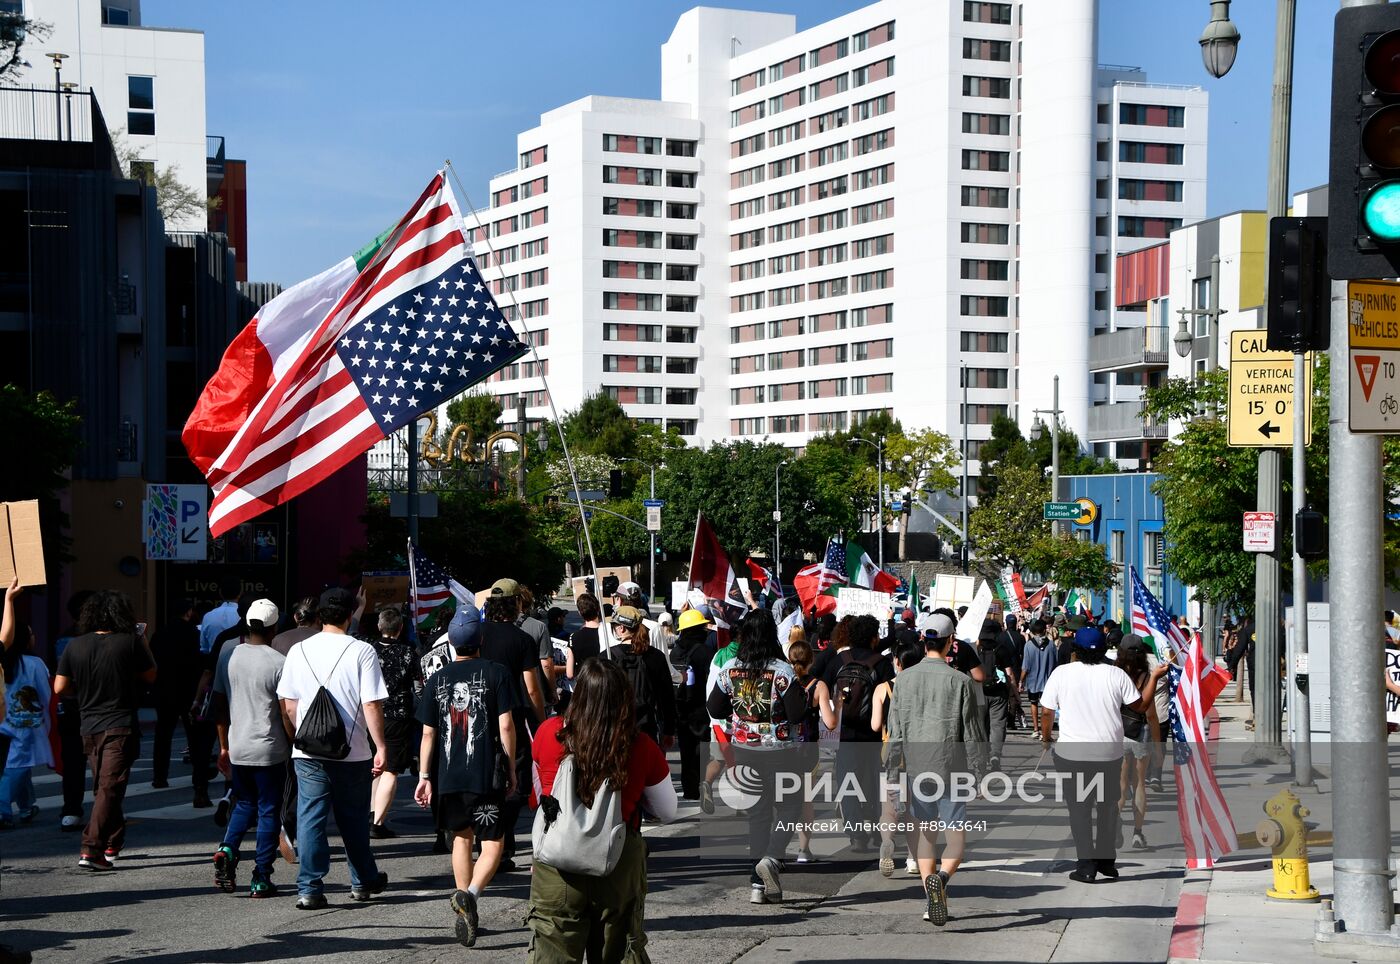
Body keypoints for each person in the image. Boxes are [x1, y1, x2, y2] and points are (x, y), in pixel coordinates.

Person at [528, 659, 677, 960]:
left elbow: (538, 788)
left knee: (552, 950)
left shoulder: (548, 733)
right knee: (619, 949)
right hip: (617, 862)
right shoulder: (639, 745)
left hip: (558, 864)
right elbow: (667, 810)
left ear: (578, 693)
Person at [276, 587, 390, 908]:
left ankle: (310, 888)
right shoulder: (361, 651)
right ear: (349, 615)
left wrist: (303, 733)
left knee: (310, 817)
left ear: (320, 615)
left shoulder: (299, 651)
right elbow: (371, 704)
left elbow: (288, 704)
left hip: (308, 750)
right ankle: (361, 881)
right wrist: (379, 744)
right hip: (352, 751)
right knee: (352, 818)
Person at [414, 602, 518, 948]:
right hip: (485, 775)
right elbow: (506, 724)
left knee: (461, 838)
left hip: (448, 776)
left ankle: (464, 908)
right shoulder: (497, 672)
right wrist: (512, 766)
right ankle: (471, 895)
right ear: (481, 638)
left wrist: (424, 775)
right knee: (493, 843)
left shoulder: (437, 679)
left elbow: (428, 733)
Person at [1038, 626, 1168, 884]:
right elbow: (1141, 706)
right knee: (1107, 807)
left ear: (1076, 650)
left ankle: (1086, 865)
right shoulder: (1115, 674)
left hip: (1072, 754)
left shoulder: (1062, 673)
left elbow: (1046, 711)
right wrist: (1153, 678)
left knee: (1080, 810)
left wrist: (1046, 737)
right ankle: (1107, 862)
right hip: (1108, 752)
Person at [886, 612, 988, 926]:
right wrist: (979, 772)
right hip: (952, 767)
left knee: (925, 837)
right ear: (950, 643)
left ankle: (932, 903)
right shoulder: (961, 681)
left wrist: (892, 775)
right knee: (956, 838)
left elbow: (896, 731)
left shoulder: (903, 679)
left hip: (917, 768)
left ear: (923, 641)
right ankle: (942, 879)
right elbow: (972, 731)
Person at [707, 614, 807, 904]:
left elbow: (715, 706)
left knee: (758, 814)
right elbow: (797, 714)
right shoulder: (781, 670)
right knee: (791, 807)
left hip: (744, 750)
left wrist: (739, 715)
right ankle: (773, 859)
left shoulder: (730, 668)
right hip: (780, 751)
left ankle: (757, 885)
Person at [54, 590, 157, 870]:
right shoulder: (129, 643)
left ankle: (112, 840)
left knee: (106, 787)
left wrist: (84, 691)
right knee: (109, 788)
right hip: (120, 722)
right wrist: (142, 640)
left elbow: (60, 687)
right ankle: (92, 848)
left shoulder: (75, 645)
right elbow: (150, 675)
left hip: (88, 723)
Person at [211, 598, 291, 898]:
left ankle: (228, 848)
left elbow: (217, 705)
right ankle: (261, 875)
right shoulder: (279, 662)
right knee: (269, 810)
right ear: (273, 628)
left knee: (244, 803)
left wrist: (223, 746)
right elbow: (285, 712)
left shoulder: (228, 655)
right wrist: (292, 742)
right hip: (269, 748)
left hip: (238, 744)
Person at [481, 579, 547, 871]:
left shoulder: (476, 635)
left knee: (485, 778)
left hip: (478, 717)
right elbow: (532, 689)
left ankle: (494, 842)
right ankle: (500, 840)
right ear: (517, 603)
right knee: (515, 781)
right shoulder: (522, 640)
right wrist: (542, 721)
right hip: (513, 715)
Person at [814, 614, 894, 851]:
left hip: (844, 733)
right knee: (875, 783)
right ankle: (879, 832)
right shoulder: (881, 662)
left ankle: (856, 835)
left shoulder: (840, 659)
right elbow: (889, 696)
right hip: (874, 734)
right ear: (873, 637)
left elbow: (823, 687)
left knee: (848, 784)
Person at [362, 606, 419, 838]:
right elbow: (418, 687)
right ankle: (377, 821)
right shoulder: (408, 652)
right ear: (400, 628)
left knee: (376, 767)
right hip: (398, 715)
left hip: (370, 714)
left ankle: (372, 813)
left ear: (379, 626)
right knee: (391, 770)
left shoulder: (369, 650)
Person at [869, 638, 923, 878]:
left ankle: (887, 842)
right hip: (918, 753)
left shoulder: (883, 688)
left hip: (890, 754)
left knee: (888, 807)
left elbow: (874, 725)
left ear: (897, 662)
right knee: (914, 810)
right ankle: (913, 859)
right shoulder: (923, 686)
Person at [604, 606, 677, 751]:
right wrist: (668, 730)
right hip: (647, 728)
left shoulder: (606, 657)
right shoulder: (656, 657)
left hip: (613, 731)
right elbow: (667, 697)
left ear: (621, 629)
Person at [0, 623, 51, 827]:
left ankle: (26, 806)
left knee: (20, 766)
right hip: (26, 722)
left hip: (4, 720)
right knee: (17, 766)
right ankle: (2, 809)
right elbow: (45, 693)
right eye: (30, 633)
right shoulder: (34, 663)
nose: (33, 637)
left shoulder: (4, 661)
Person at [149, 599, 201, 789]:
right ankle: (198, 775)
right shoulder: (193, 633)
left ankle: (159, 776)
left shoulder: (160, 634)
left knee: (163, 734)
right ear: (188, 612)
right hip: (188, 689)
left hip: (165, 689)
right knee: (194, 735)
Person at [53, 589, 93, 832]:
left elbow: (61, 679)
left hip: (69, 707)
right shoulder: (96, 638)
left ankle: (71, 810)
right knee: (103, 763)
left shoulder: (63, 639)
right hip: (95, 707)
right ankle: (104, 810)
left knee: (72, 763)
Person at [671, 607, 716, 802]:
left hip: (680, 708)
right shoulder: (705, 652)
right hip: (700, 706)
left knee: (686, 750)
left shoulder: (674, 653)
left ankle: (690, 789)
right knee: (702, 749)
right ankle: (702, 784)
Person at [1115, 635, 1155, 852]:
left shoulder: (1115, 673)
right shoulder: (1147, 677)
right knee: (1139, 783)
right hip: (1141, 731)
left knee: (1120, 784)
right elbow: (1151, 713)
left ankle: (1115, 822)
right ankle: (1137, 833)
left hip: (1118, 730)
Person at [975, 618, 1019, 772]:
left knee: (980, 726)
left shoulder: (975, 650)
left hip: (979, 693)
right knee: (998, 725)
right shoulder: (1001, 649)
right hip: (999, 693)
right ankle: (995, 755)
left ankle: (981, 757)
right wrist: (1014, 693)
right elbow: (1009, 674)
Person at [1021, 618, 1059, 744]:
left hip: (1032, 681)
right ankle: (1044, 731)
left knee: (1033, 703)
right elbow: (1055, 664)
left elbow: (1025, 666)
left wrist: (1021, 680)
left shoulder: (1028, 645)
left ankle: (1036, 729)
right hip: (1048, 681)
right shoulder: (1051, 645)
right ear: (1044, 630)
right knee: (1045, 706)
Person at [200, 579, 243, 655]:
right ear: (240, 593)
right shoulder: (244, 616)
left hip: (214, 664)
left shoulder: (208, 616)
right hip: (239, 663)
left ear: (220, 593)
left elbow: (204, 648)